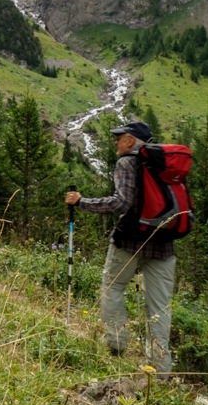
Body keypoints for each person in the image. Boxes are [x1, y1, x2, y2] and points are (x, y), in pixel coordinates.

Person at [65, 121, 176, 376]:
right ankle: (160, 371)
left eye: (119, 137)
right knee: (159, 308)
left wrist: (83, 202)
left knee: (113, 287)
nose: (115, 142)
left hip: (130, 240)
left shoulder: (127, 162)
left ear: (130, 140)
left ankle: (116, 345)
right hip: (164, 244)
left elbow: (121, 202)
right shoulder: (166, 164)